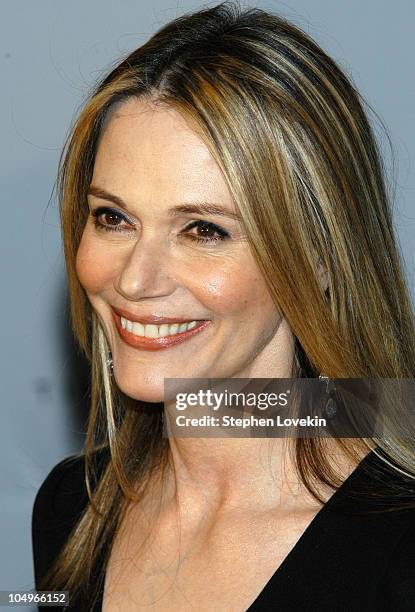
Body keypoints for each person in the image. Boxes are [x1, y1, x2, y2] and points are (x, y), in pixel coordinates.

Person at [32, 2, 415, 610]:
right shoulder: (71, 507)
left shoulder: (400, 546)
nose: (135, 279)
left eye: (204, 230)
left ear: (318, 255)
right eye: (113, 218)